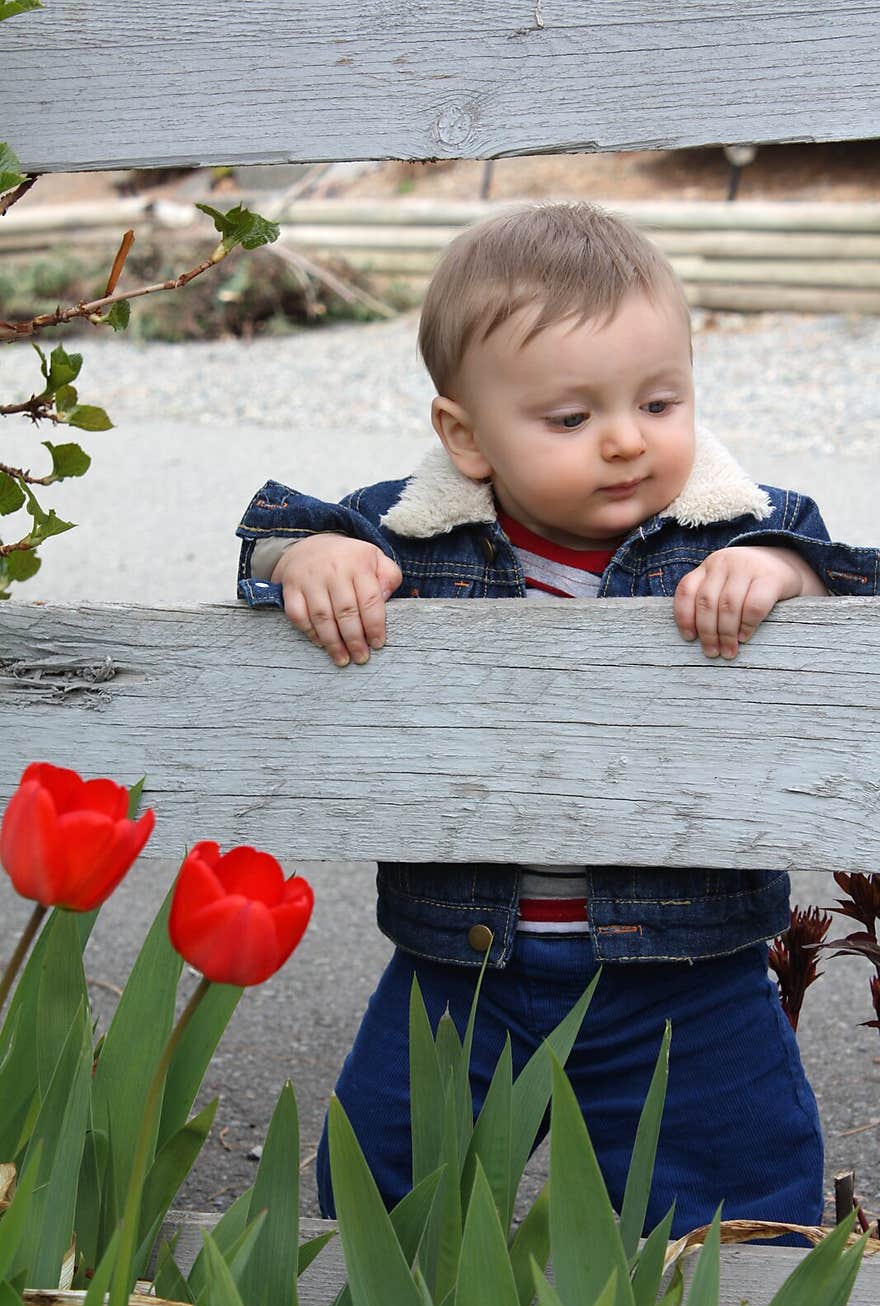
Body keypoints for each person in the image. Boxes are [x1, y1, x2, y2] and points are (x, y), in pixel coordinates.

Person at [236, 202, 879, 1237]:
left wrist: (780, 573)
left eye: (660, 401)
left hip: (690, 971)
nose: (627, 440)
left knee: (730, 1201)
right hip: (460, 964)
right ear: (466, 435)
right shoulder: (418, 534)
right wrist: (307, 560)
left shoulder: (729, 526)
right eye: (571, 420)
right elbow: (273, 530)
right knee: (392, 1190)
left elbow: (842, 575)